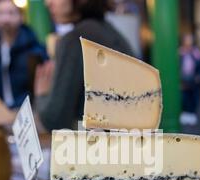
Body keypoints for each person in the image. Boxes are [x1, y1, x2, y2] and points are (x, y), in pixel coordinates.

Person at [34, 0, 133, 131]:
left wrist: (42, 94)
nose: (48, 3)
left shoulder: (74, 40)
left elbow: (55, 120)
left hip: (93, 146)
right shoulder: (113, 33)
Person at [0, 0, 48, 109]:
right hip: (0, 112)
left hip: (28, 112)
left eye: (11, 13)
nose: (6, 19)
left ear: (21, 16)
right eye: (0, 13)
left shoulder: (34, 49)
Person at [179, 34, 200, 126]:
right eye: (187, 41)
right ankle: (185, 116)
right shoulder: (179, 52)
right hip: (183, 80)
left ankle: (192, 115)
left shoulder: (196, 53)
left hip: (194, 80)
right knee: (184, 98)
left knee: (194, 98)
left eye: (190, 41)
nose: (188, 43)